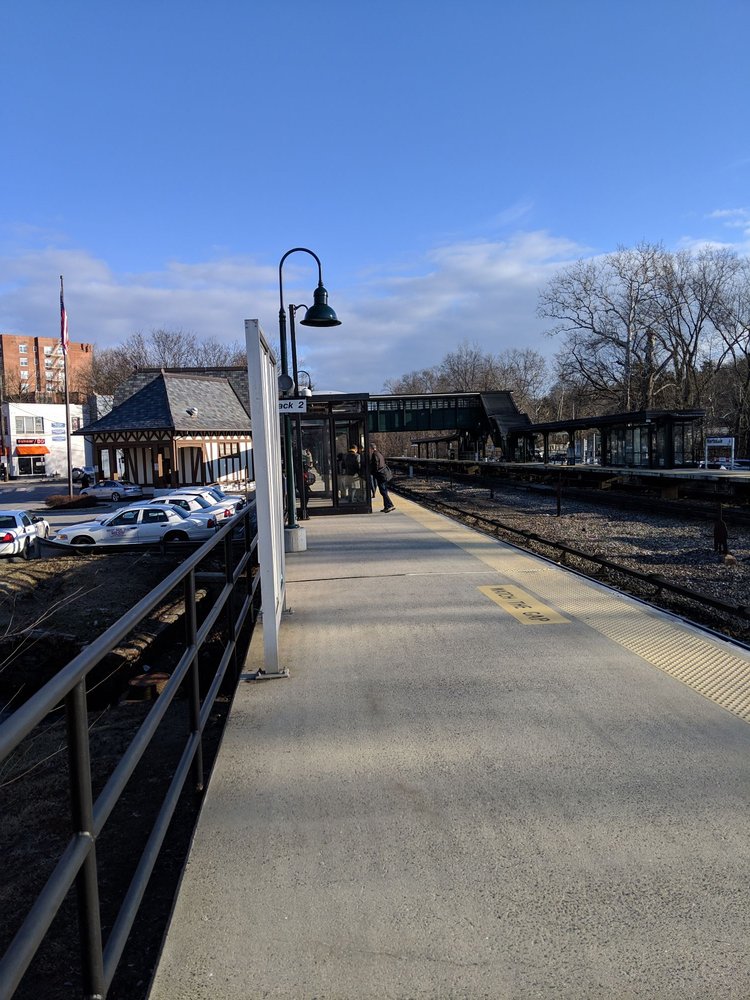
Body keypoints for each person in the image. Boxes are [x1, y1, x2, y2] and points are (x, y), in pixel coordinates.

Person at [369, 443, 395, 512]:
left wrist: (371, 472)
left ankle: (390, 505)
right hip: (384, 475)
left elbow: (376, 466)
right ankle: (386, 506)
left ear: (371, 448)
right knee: (384, 491)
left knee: (383, 491)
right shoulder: (379, 453)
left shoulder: (374, 455)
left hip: (381, 475)